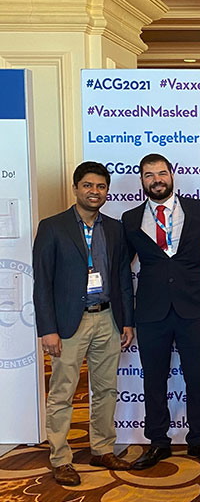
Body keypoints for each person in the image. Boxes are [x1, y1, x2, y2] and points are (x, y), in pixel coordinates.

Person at [33, 162, 135, 485]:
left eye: (101, 186)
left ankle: (102, 448)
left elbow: (122, 277)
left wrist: (127, 321)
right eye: (88, 185)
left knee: (106, 389)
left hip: (107, 318)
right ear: (76, 188)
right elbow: (42, 282)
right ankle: (60, 458)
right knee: (62, 392)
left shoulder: (115, 229)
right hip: (68, 323)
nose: (94, 191)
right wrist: (48, 329)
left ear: (107, 191)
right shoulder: (52, 227)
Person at [121, 153, 200, 469]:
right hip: (151, 311)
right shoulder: (130, 219)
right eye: (149, 175)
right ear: (142, 180)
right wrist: (125, 317)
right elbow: (122, 269)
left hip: (194, 308)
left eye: (161, 173)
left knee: (196, 377)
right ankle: (158, 442)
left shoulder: (198, 209)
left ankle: (198, 441)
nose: (156, 180)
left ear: (172, 175)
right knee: (153, 379)